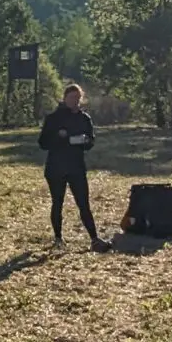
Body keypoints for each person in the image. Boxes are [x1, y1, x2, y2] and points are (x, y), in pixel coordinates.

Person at [38, 82, 110, 250]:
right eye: (71, 98)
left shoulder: (84, 118)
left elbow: (91, 141)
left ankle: (94, 239)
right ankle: (58, 239)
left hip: (76, 166)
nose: (75, 101)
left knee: (84, 204)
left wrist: (86, 141)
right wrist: (59, 137)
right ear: (64, 98)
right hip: (56, 167)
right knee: (58, 203)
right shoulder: (53, 118)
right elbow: (43, 143)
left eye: (77, 98)